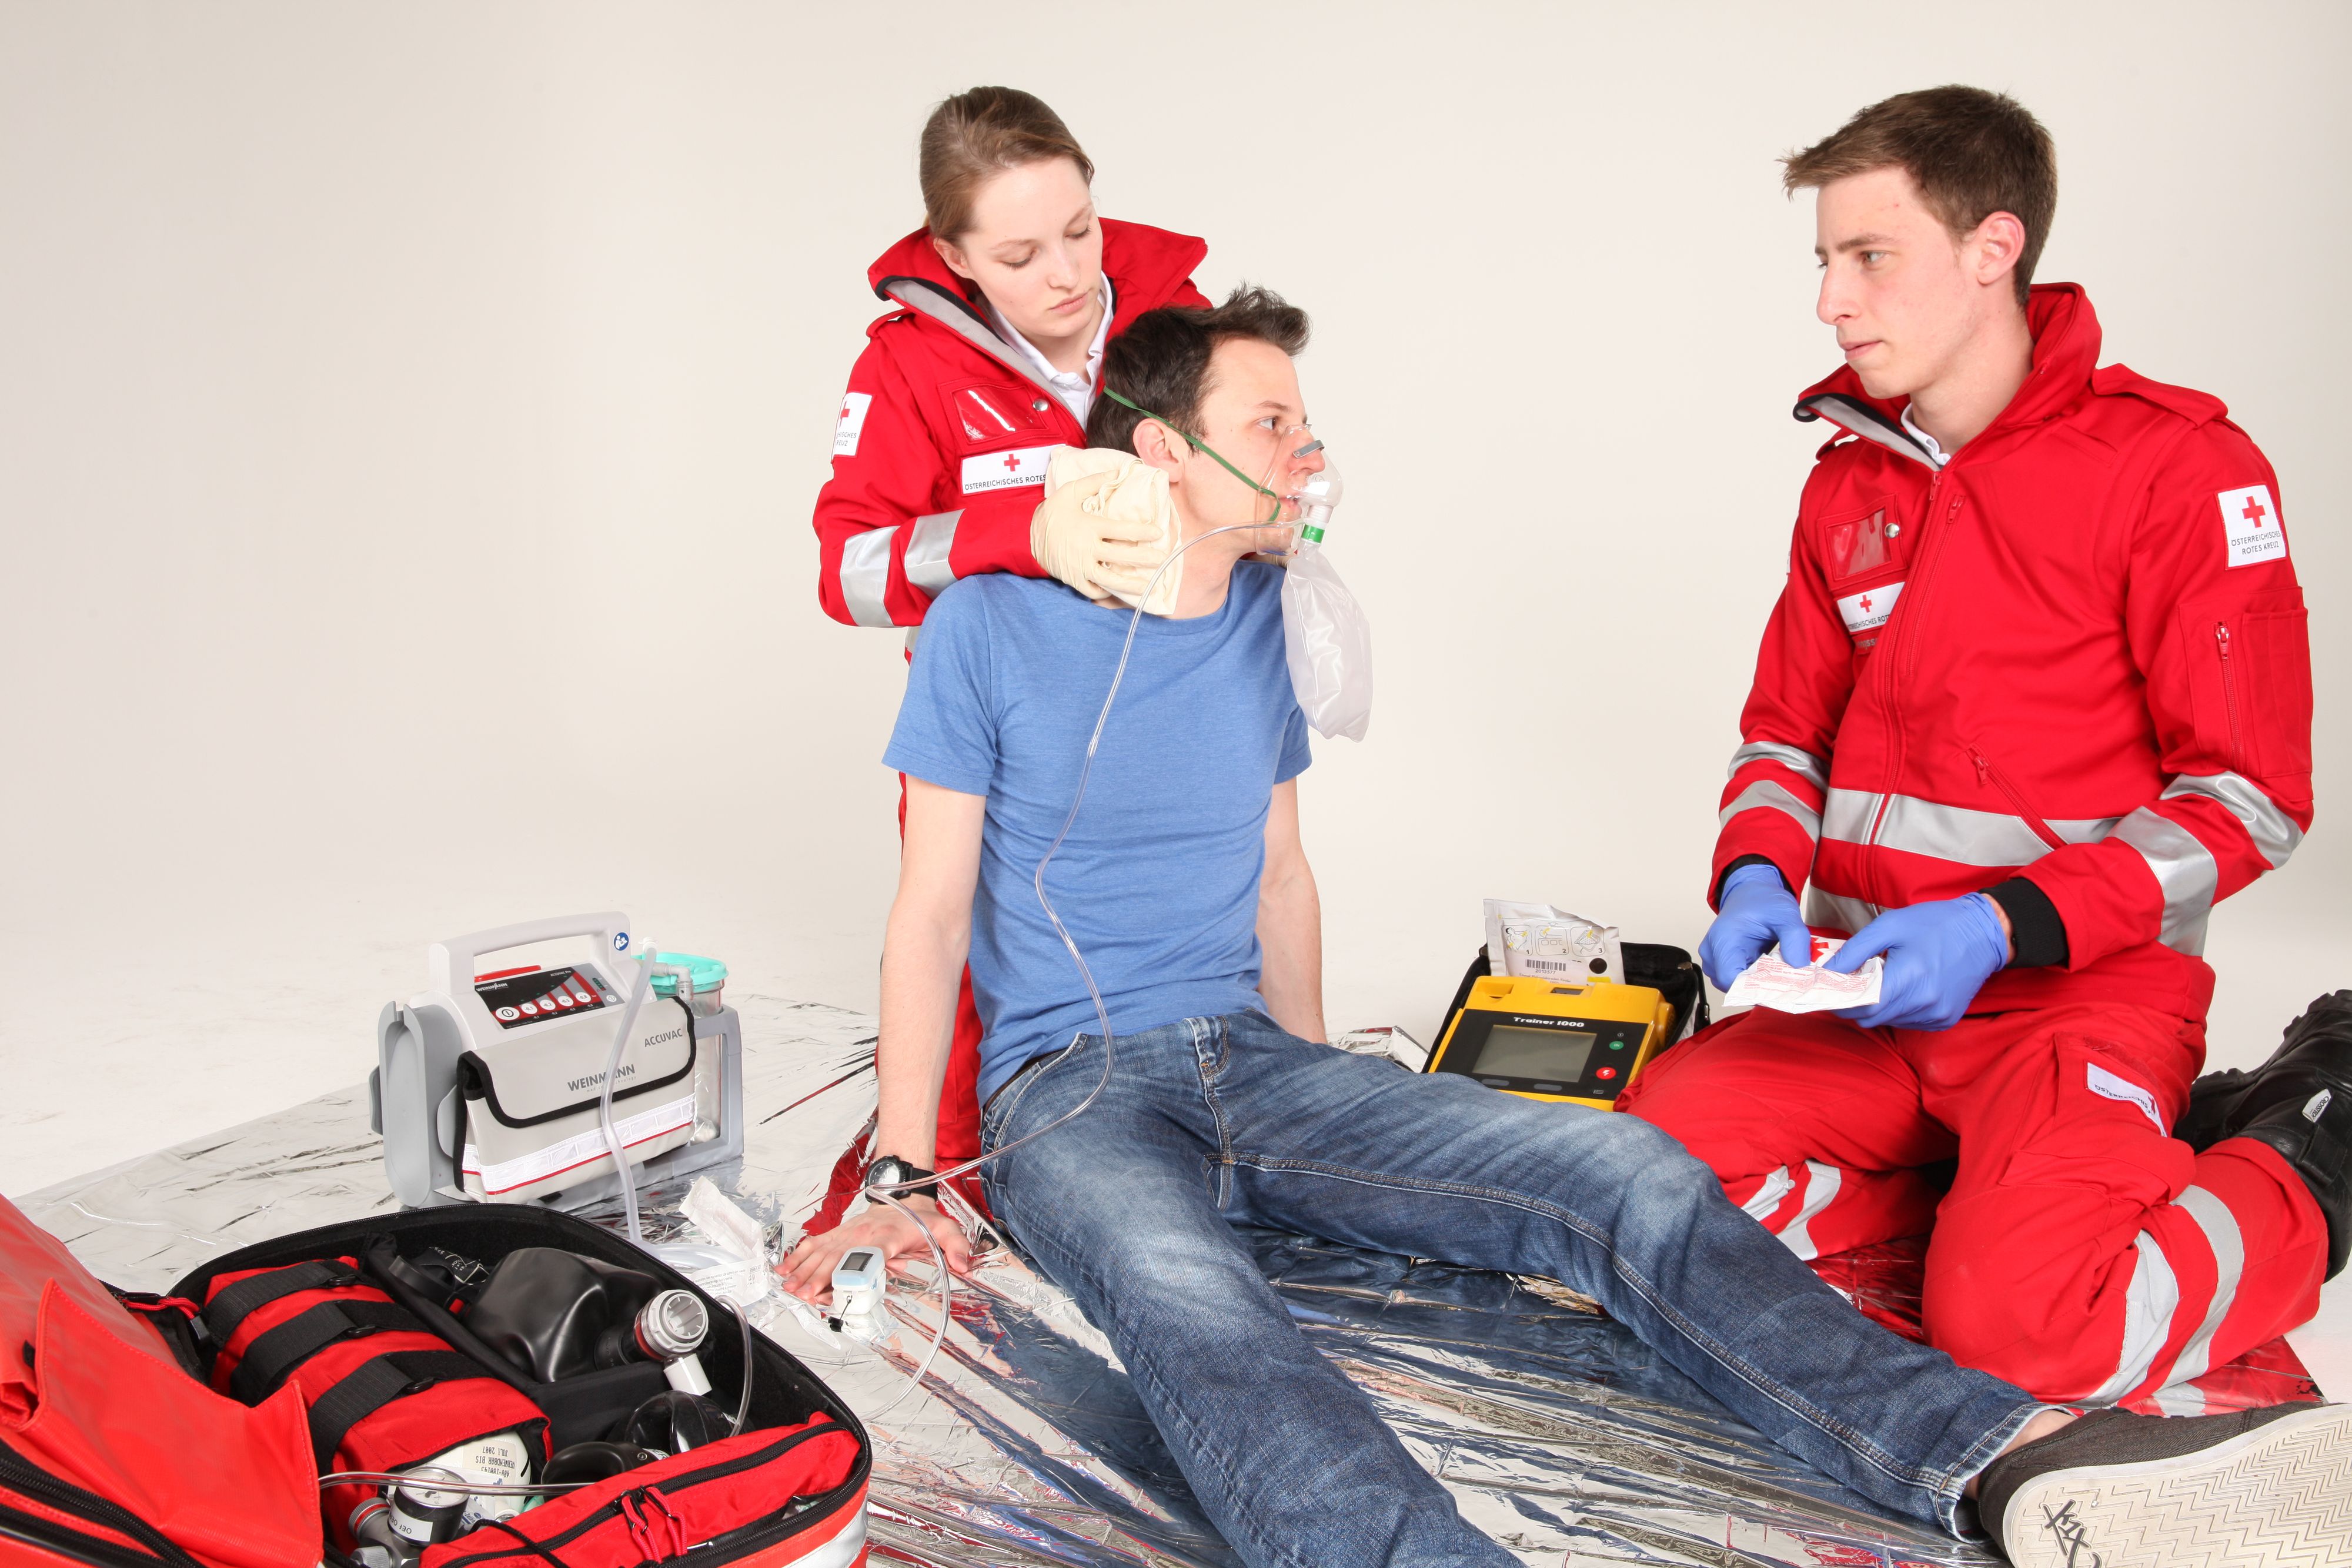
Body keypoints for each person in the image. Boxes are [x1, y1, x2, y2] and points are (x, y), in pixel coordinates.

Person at [783, 287, 2351, 1568]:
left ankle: (1997, 1454)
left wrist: (1332, 1100)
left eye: (1309, 423)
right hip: (1070, 1085)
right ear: (1162, 451)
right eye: (1275, 423)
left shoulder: (1267, 620)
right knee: (1208, 1316)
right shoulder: (992, 624)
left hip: (1249, 1058)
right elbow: (927, 916)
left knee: (1618, 1166)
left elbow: (1281, 880)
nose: (1311, 454)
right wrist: (912, 1170)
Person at [1617, 86, 2342, 1410]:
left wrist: (2001, 926)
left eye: (1867, 258)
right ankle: (2011, 1183)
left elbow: (2248, 799)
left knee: (2026, 1334)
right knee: (1632, 1191)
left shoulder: (2178, 470)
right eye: (1824, 263)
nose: (1830, 302)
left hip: (2071, 999)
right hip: (1861, 999)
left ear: (1991, 247)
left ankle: (2305, 1158)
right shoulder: (1849, 475)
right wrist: (1753, 878)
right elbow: (1782, 731)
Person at [810, 87, 1213, 1206]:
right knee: (972, 961)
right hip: (996, 732)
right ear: (953, 254)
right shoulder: (906, 366)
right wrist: (1015, 533)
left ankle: (1206, 1150)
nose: (1068, 274)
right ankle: (933, 1181)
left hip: (1169, 708)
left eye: (1080, 229)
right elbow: (846, 574)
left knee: (1194, 943)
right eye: (1022, 252)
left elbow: (1248, 474)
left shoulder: (1182, 320)